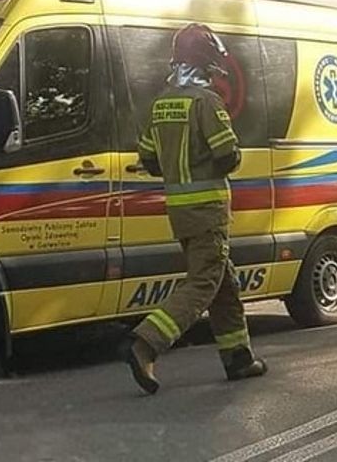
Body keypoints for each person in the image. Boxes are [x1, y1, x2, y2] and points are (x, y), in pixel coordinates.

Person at [122, 23, 267, 394]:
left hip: (180, 212)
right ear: (204, 62)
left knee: (224, 283)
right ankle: (146, 343)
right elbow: (227, 156)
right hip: (208, 211)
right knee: (204, 282)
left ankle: (238, 358)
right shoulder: (206, 103)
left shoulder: (160, 103)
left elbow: (150, 160)